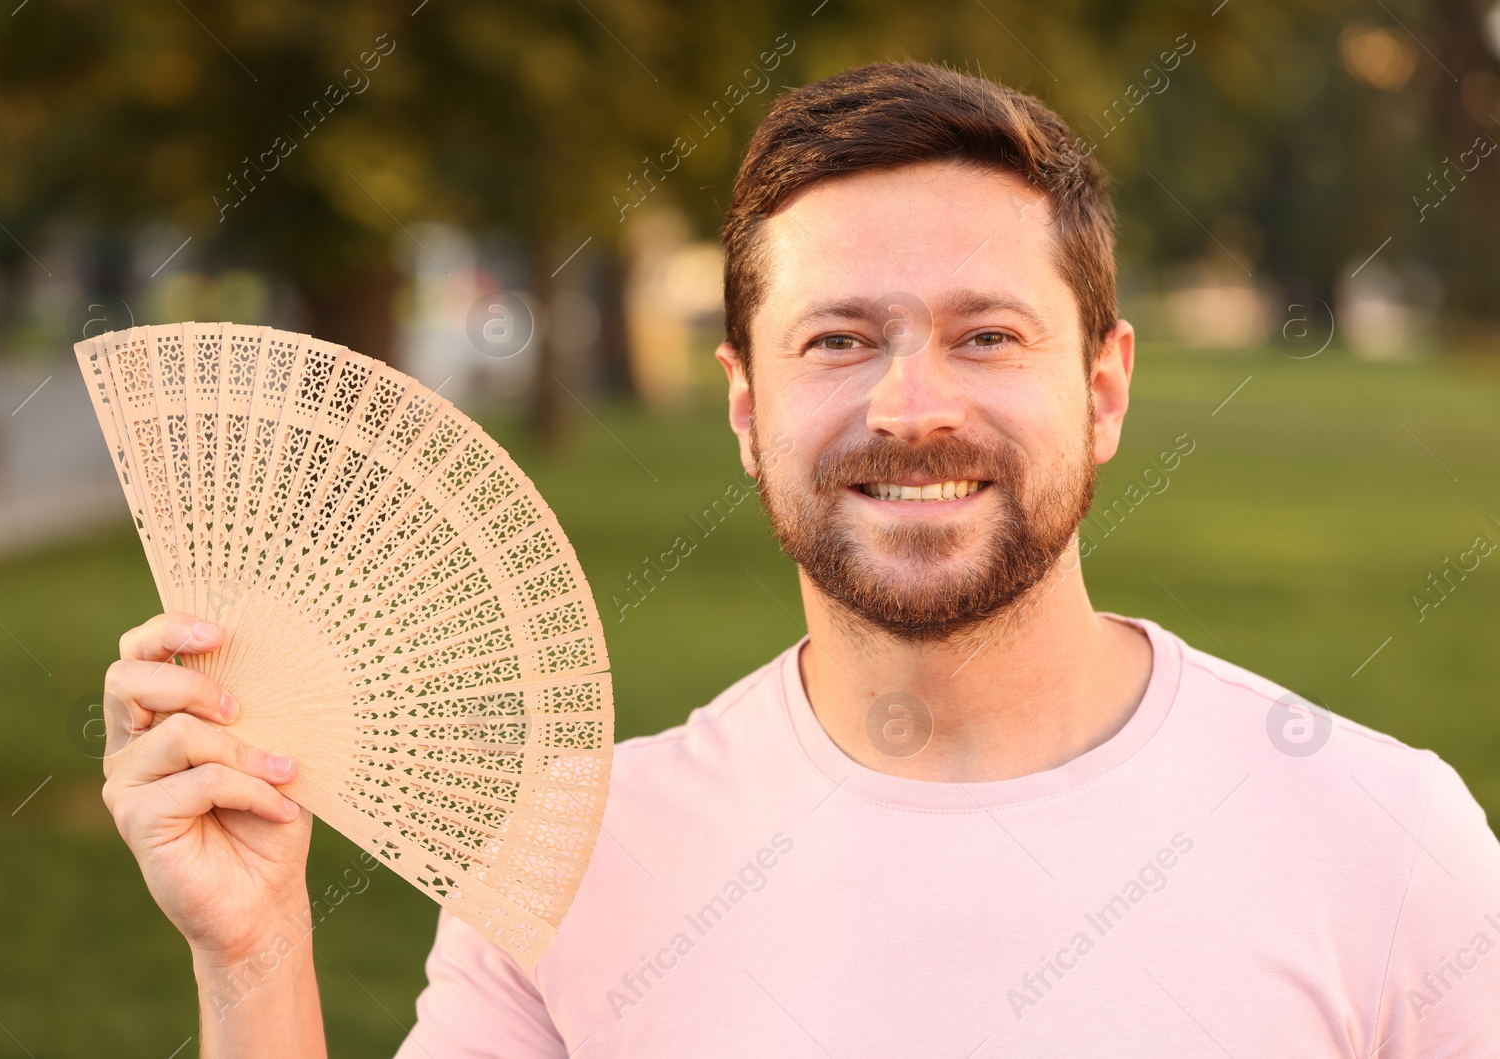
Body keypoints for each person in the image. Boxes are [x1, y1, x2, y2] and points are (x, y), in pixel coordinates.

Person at [99, 62, 1500, 1057]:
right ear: (747, 406)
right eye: (840, 339)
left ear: (1108, 386)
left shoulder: (1384, 840)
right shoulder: (574, 865)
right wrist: (258, 949)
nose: (912, 406)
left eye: (987, 334)